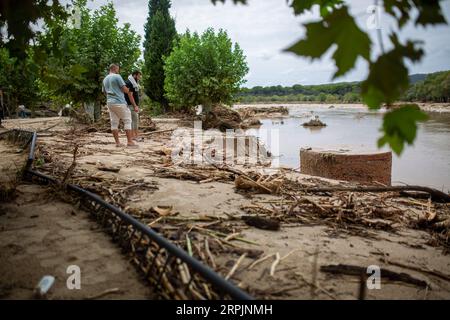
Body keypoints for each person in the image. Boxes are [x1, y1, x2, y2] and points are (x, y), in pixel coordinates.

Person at [102, 64, 139, 148]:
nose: (118, 70)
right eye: (118, 69)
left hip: (110, 102)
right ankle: (129, 142)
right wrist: (128, 90)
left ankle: (117, 143)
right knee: (127, 120)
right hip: (119, 102)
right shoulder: (117, 76)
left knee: (114, 122)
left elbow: (104, 92)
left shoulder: (105, 79)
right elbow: (124, 89)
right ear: (115, 68)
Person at [124, 70, 142, 141]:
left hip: (132, 105)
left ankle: (133, 136)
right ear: (134, 75)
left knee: (132, 120)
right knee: (134, 120)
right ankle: (135, 136)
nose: (140, 77)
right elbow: (130, 95)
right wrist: (135, 106)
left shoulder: (133, 82)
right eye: (139, 75)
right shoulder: (130, 83)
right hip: (131, 105)